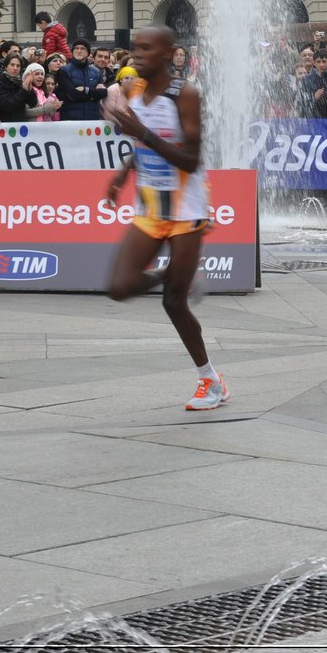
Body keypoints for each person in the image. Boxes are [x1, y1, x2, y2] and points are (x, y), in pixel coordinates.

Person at [103, 25, 224, 412]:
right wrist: (123, 173)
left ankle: (210, 380)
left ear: (169, 53)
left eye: (146, 48)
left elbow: (191, 157)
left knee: (173, 303)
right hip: (150, 206)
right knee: (120, 287)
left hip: (187, 210)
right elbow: (141, 142)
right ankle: (176, 280)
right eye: (135, 48)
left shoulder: (184, 94)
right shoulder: (133, 90)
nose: (137, 54)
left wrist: (142, 132)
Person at [58, 39, 109, 120]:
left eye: (82, 48)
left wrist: (85, 90)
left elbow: (103, 93)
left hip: (92, 119)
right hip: (71, 119)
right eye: (76, 48)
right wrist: (94, 95)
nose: (79, 51)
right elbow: (73, 95)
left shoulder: (96, 72)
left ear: (88, 53)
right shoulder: (64, 71)